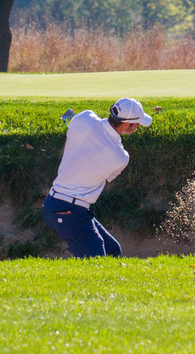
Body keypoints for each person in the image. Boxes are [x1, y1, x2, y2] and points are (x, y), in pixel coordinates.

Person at [42, 97, 152, 258]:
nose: (139, 126)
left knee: (112, 250)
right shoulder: (120, 157)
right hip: (69, 211)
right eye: (137, 123)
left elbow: (70, 142)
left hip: (54, 203)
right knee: (96, 263)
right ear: (126, 124)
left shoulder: (83, 118)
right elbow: (106, 178)